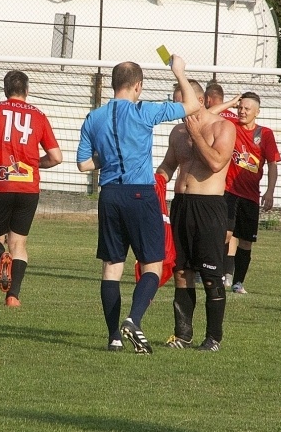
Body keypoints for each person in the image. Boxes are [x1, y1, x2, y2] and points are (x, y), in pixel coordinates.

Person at [76, 56, 201, 354]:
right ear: (137, 86)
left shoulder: (94, 117)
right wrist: (179, 72)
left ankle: (113, 338)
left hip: (110, 195)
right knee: (152, 265)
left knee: (112, 267)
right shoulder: (144, 110)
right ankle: (133, 320)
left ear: (113, 85)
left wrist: (110, 156)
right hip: (140, 194)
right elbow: (193, 105)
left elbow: (83, 164)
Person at [0, 70, 62, 308]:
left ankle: (1, 257)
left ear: (5, 89)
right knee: (18, 243)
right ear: (27, 91)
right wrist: (34, 164)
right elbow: (56, 157)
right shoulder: (39, 115)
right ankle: (13, 296)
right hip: (28, 188)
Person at [156, 78, 236, 352]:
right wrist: (156, 180)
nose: (178, 109)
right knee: (181, 272)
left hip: (209, 207)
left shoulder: (223, 127)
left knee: (211, 275)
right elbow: (169, 165)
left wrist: (197, 134)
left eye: (182, 103)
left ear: (199, 101)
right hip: (181, 205)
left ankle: (213, 338)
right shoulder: (178, 132)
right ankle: (182, 335)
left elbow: (216, 162)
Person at [223, 92, 281, 294]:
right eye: (240, 107)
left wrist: (270, 191)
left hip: (251, 196)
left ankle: (238, 282)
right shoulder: (230, 126)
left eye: (247, 109)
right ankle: (219, 275)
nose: (242, 111)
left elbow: (272, 163)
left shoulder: (265, 134)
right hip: (228, 191)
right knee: (225, 234)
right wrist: (230, 103)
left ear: (257, 112)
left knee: (246, 241)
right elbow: (208, 114)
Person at [204, 82, 239, 285]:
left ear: (208, 99)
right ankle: (228, 273)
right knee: (230, 232)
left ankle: (206, 268)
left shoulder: (210, 118)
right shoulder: (236, 120)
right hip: (235, 183)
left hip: (212, 182)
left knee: (210, 229)